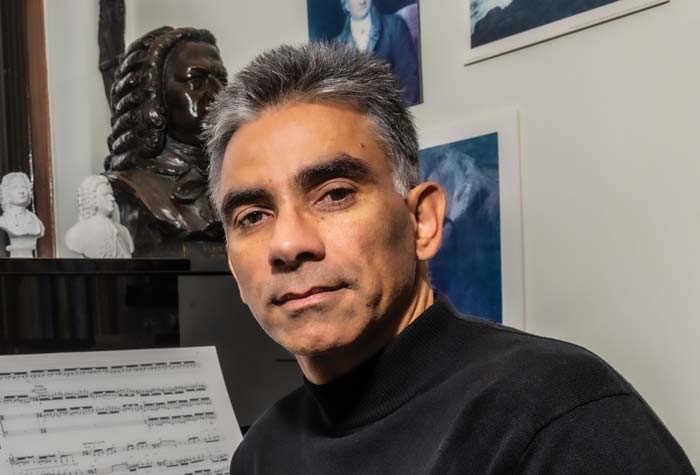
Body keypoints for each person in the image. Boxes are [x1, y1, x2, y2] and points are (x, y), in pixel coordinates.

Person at [203, 43, 694, 474]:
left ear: (423, 222)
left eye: (334, 194)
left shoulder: (557, 415)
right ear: (232, 262)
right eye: (251, 216)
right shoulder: (261, 453)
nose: (288, 244)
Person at [104, 26, 228, 257]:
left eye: (221, 79)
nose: (217, 92)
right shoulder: (128, 190)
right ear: (154, 96)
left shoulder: (237, 180)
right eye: (196, 80)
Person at [334, 0, 421, 105]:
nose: (362, 1)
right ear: (345, 4)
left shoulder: (395, 26)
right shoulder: (337, 47)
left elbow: (409, 78)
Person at [65, 175, 134, 258]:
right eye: (106, 195)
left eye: (112, 194)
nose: (112, 198)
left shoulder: (124, 231)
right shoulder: (76, 234)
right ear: (92, 198)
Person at [0, 172, 44, 257]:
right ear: (6, 193)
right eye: (15, 187)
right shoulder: (3, 221)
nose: (21, 191)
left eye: (23, 187)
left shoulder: (36, 221)